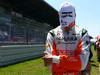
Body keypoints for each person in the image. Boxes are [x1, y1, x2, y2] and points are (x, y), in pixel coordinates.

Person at [43, 2, 90, 75]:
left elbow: (82, 64)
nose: (67, 27)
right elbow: (50, 66)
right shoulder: (52, 34)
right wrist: (73, 63)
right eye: (64, 22)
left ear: (75, 16)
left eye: (70, 22)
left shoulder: (83, 33)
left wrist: (55, 59)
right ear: (59, 17)